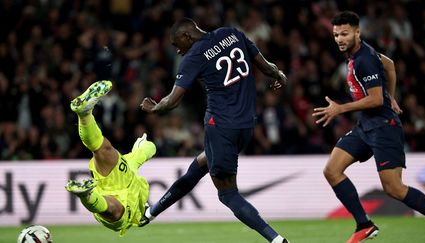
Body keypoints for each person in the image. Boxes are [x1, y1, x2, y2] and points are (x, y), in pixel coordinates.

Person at [140, 18, 289, 243]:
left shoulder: (194, 56)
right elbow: (266, 66)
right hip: (246, 125)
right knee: (199, 165)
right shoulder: (233, 33)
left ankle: (277, 240)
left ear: (186, 37)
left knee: (228, 194)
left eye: (176, 44)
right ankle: (151, 213)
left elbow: (172, 101)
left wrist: (154, 108)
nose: (177, 51)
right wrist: (279, 74)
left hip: (220, 126)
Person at [312, 11, 425, 243]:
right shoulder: (361, 53)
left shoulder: (364, 60)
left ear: (358, 32)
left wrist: (340, 109)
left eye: (345, 34)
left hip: (384, 128)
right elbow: (390, 65)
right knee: (332, 171)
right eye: (336, 34)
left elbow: (376, 100)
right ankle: (364, 224)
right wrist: (393, 96)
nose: (339, 39)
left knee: (394, 189)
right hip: (365, 126)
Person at [65, 80, 156, 236]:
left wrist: (144, 147)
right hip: (117, 179)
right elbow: (149, 148)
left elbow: (150, 148)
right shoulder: (132, 168)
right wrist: (144, 147)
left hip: (111, 195)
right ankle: (84, 114)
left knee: (112, 209)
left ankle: (87, 196)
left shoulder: (133, 214)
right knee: (101, 148)